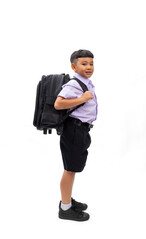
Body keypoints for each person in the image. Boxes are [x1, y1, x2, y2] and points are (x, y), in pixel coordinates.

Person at [54, 49, 98, 221]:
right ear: (74, 66)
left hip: (80, 130)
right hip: (74, 130)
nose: (89, 67)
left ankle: (67, 200)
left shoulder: (85, 82)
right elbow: (59, 103)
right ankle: (65, 208)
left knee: (73, 168)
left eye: (91, 63)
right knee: (70, 169)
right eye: (84, 63)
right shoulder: (74, 84)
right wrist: (83, 98)